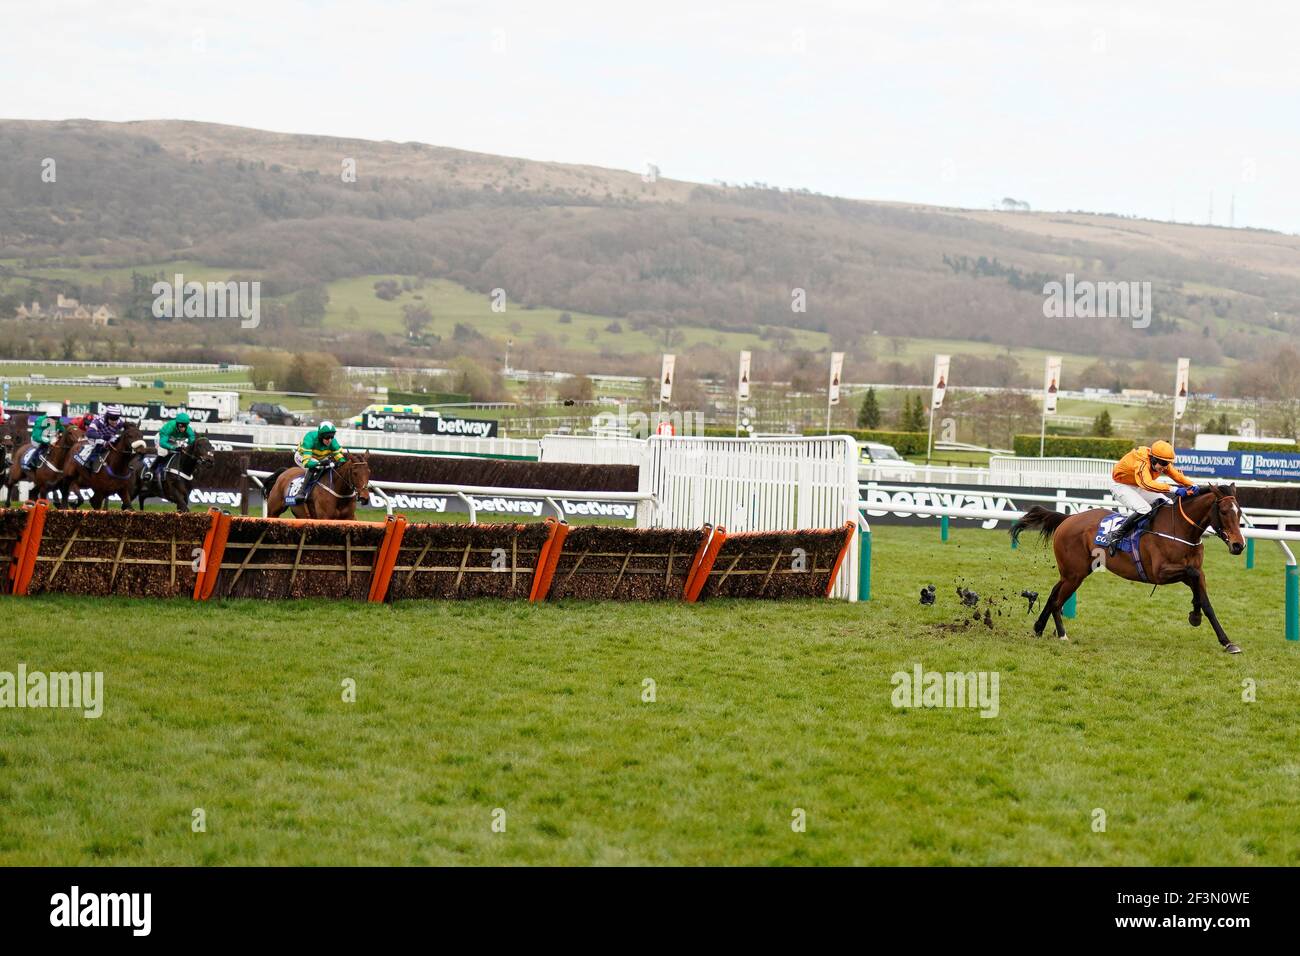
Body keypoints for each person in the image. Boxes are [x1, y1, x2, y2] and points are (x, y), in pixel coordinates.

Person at [1103, 439, 1197, 555]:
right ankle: (1116, 535)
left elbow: (1177, 476)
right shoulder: (1142, 462)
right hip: (1120, 485)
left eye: (1167, 463)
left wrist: (1192, 485)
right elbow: (1147, 484)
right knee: (1144, 509)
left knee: (1167, 502)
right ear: (1153, 458)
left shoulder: (1162, 462)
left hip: (1136, 484)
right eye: (1162, 463)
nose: (1164, 467)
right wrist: (1174, 489)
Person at [295, 421, 346, 498]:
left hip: (320, 458)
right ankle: (301, 491)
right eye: (327, 437)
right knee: (315, 466)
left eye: (332, 437)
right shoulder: (310, 438)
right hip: (302, 456)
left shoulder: (332, 442)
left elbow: (342, 459)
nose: (330, 440)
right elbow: (307, 463)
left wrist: (340, 463)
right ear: (321, 436)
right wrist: (320, 463)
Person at [147, 411, 197, 483]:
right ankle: (150, 471)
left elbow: (192, 441)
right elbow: (162, 443)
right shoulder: (169, 427)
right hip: (161, 439)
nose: (182, 428)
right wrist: (174, 448)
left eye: (184, 426)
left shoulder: (189, 430)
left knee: (182, 453)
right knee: (163, 452)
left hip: (173, 439)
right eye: (180, 426)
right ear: (177, 424)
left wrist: (186, 446)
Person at [81, 405, 125, 471]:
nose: (115, 422)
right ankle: (90, 461)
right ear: (107, 417)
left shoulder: (120, 422)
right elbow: (89, 433)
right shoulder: (98, 420)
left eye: (116, 419)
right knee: (101, 442)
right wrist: (102, 437)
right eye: (112, 419)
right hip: (94, 438)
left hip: (109, 438)